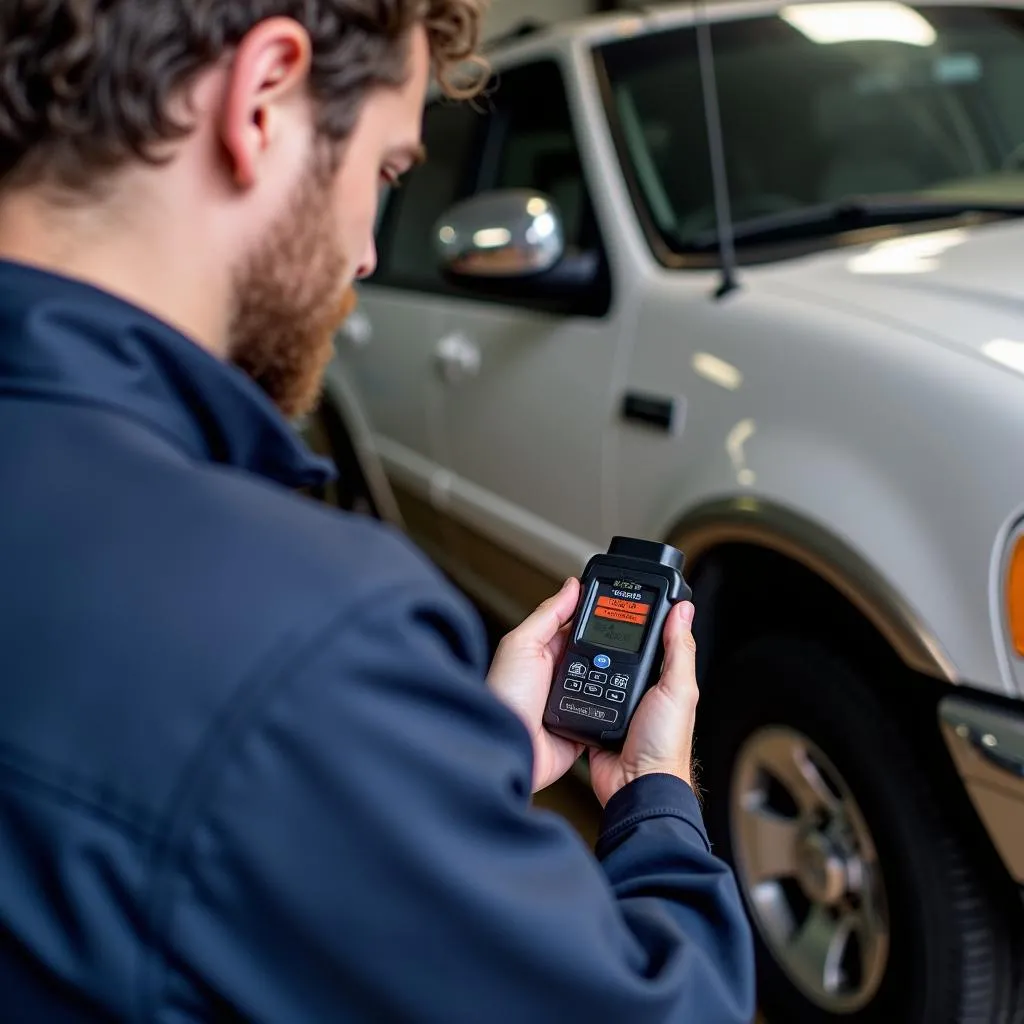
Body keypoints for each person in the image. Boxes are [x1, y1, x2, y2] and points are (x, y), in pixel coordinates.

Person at [0, 2, 756, 1021]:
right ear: (263, 96)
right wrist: (655, 797)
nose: (367, 254)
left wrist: (439, 756)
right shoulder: (304, 632)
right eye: (388, 172)